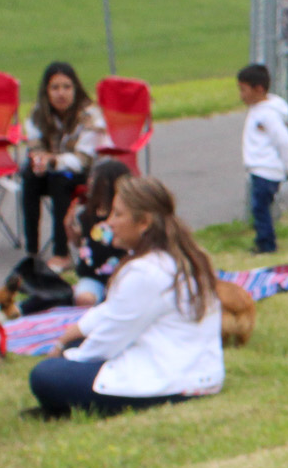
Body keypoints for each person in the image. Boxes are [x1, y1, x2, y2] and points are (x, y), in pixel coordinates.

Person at [28, 176, 224, 419]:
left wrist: (66, 356)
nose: (109, 222)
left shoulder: (146, 271)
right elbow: (112, 311)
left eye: (118, 214)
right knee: (72, 345)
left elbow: (106, 341)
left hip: (174, 380)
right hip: (195, 371)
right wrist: (70, 335)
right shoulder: (176, 257)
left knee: (45, 374)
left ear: (143, 222)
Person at [19, 60, 106, 269]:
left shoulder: (90, 116)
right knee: (29, 176)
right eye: (55, 88)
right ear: (46, 91)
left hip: (84, 173)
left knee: (60, 180)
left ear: (75, 89)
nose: (61, 93)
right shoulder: (38, 114)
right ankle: (32, 251)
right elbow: (35, 145)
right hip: (50, 169)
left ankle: (62, 253)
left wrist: (53, 161)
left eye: (67, 87)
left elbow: (84, 159)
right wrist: (39, 161)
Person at [237, 62, 288, 254]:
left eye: (243, 90)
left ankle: (266, 244)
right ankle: (263, 241)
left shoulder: (268, 114)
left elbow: (284, 142)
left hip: (267, 170)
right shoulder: (258, 110)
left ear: (259, 89)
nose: (241, 95)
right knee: (259, 208)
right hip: (258, 169)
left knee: (260, 209)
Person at [62, 157, 133, 306]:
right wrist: (69, 227)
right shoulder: (87, 214)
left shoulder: (124, 216)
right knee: (84, 299)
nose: (89, 183)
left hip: (121, 275)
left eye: (95, 179)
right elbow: (80, 243)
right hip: (92, 276)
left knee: (123, 300)